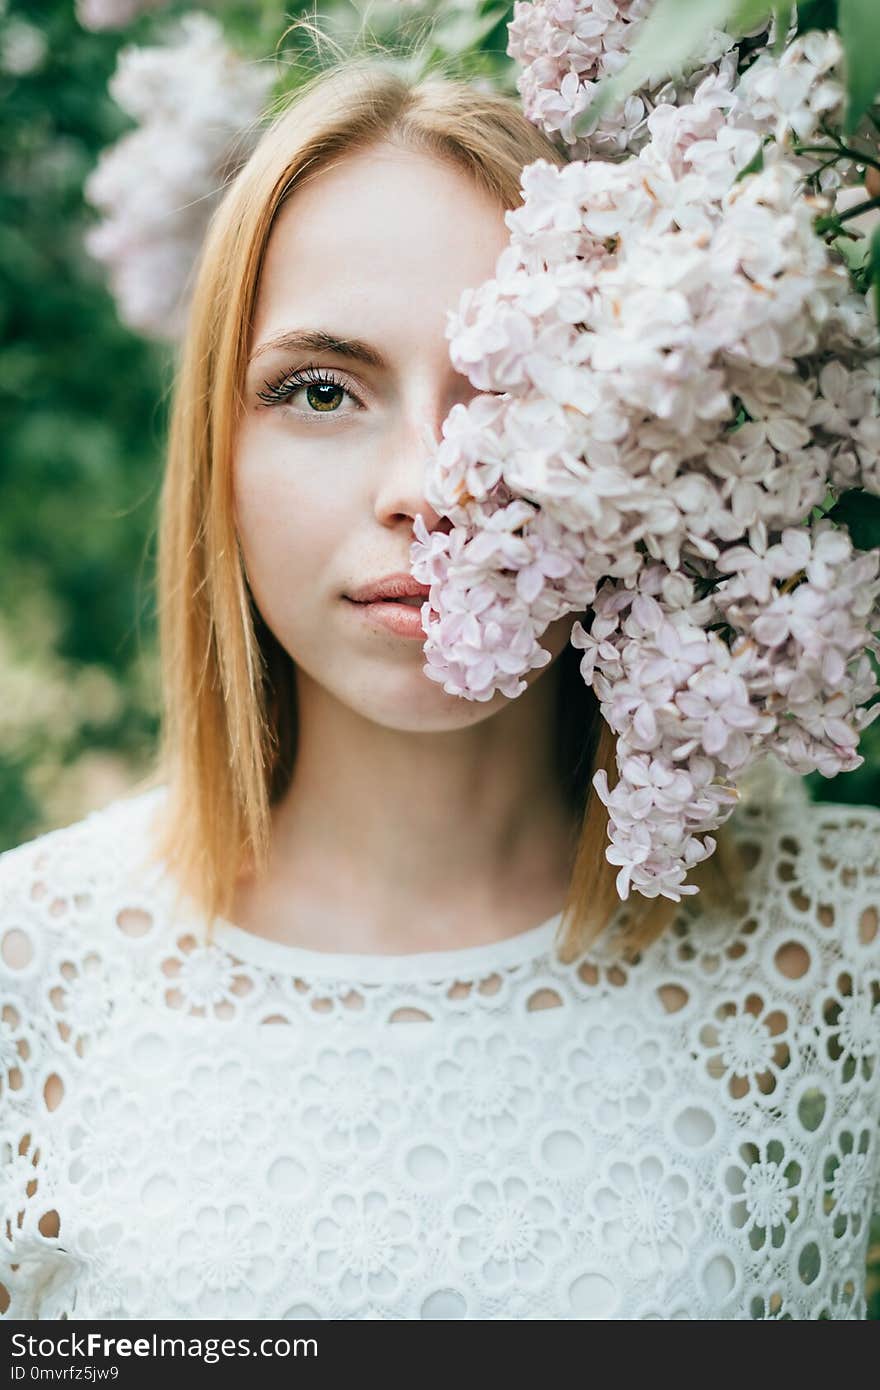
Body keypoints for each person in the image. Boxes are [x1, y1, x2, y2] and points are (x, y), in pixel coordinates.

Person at [2, 51, 879, 1323]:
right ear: (216, 446)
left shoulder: (843, 950)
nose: (428, 485)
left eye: (514, 391)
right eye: (320, 389)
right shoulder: (29, 970)